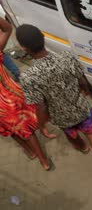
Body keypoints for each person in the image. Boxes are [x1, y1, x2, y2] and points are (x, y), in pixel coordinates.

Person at [16, 24, 92, 182]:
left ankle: (82, 147)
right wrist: (83, 92)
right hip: (81, 108)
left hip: (61, 116)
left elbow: (40, 106)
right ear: (43, 38)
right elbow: (82, 81)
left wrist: (41, 125)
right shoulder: (67, 56)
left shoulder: (28, 77)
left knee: (72, 136)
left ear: (24, 47)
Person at [0, 17, 53, 170]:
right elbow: (7, 28)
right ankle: (43, 159)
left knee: (11, 130)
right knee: (25, 129)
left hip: (6, 103)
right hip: (9, 98)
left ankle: (31, 152)